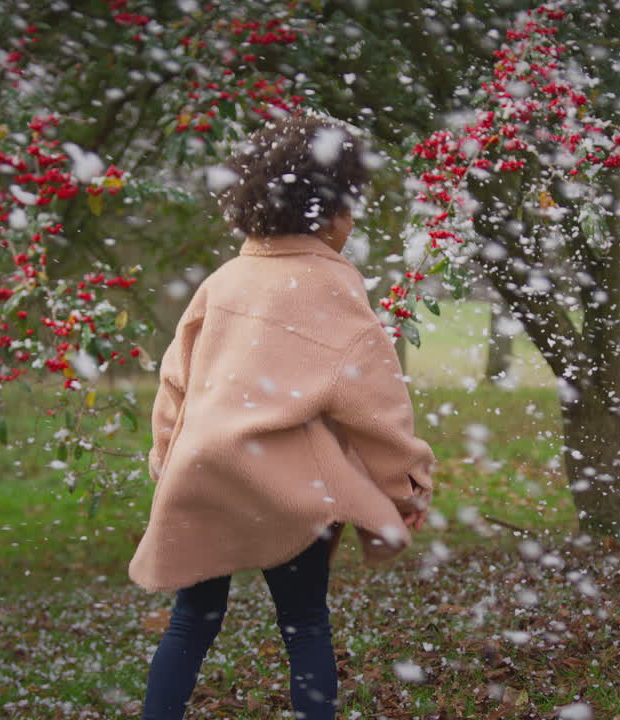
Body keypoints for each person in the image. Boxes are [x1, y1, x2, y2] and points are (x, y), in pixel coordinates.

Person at [129, 115, 435, 720]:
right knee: (304, 623)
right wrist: (405, 484)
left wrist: (168, 461)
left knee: (191, 622)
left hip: (206, 471)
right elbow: (374, 404)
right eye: (350, 207)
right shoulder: (333, 284)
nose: (352, 224)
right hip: (290, 485)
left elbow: (175, 383)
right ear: (326, 211)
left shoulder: (224, 281)